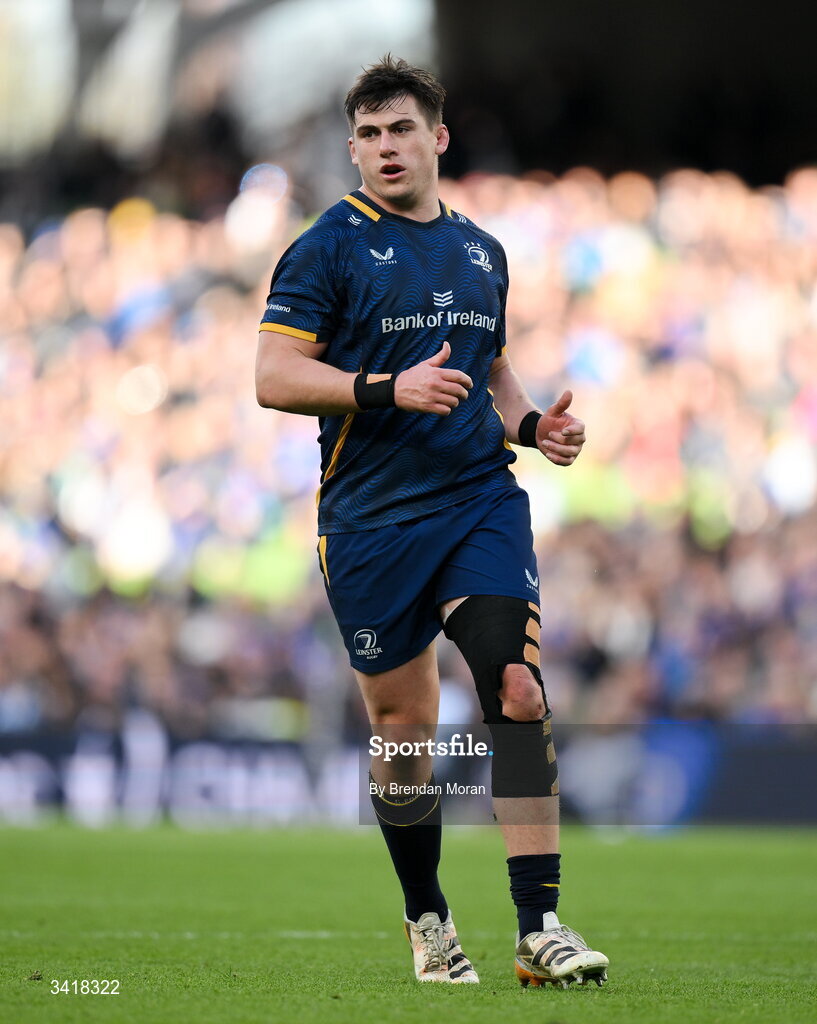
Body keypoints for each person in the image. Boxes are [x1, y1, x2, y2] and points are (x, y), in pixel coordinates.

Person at [255, 55, 608, 989]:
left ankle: (541, 927)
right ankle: (427, 918)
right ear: (353, 148)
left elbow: (489, 373)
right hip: (368, 522)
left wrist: (534, 426)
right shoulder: (325, 246)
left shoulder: (483, 251)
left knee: (518, 690)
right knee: (404, 733)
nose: (383, 149)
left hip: (476, 502)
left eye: (399, 130)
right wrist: (382, 388)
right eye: (367, 135)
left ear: (437, 137)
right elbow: (273, 378)